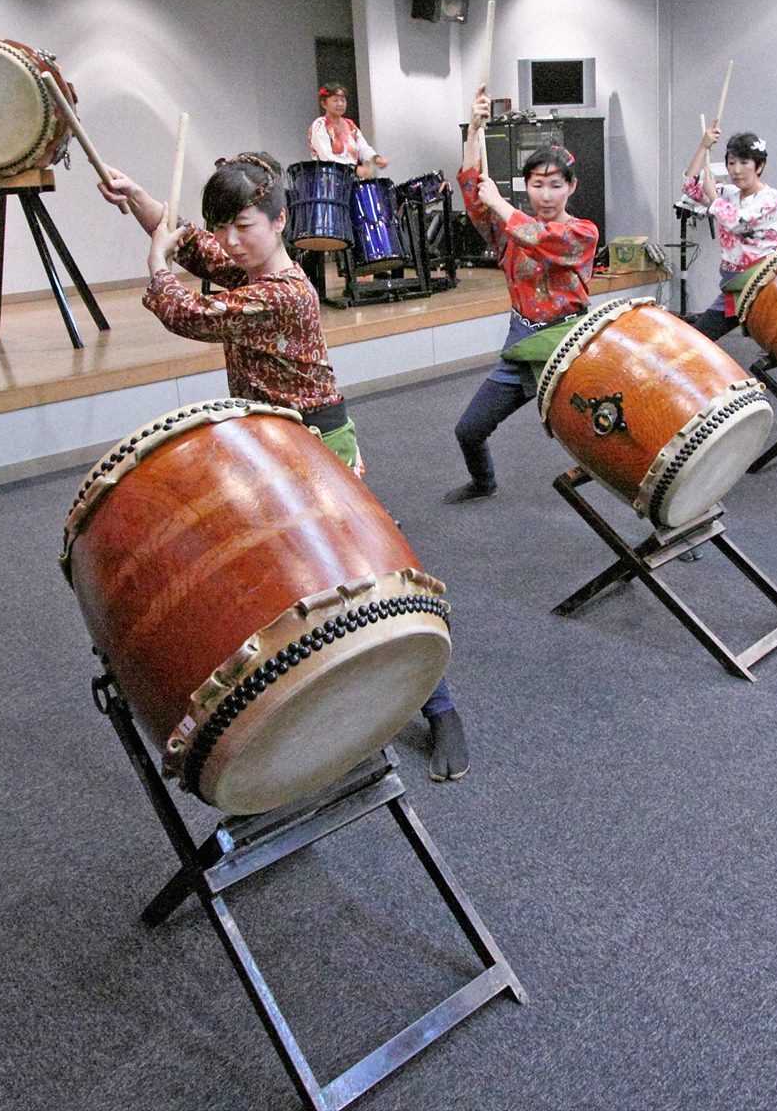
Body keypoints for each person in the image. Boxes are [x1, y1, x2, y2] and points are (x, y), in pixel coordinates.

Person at [97, 153, 469, 781]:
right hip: (270, 440)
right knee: (289, 574)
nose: (231, 241)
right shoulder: (245, 265)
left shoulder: (285, 291)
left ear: (279, 219)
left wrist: (156, 266)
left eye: (244, 224)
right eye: (224, 227)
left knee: (366, 569)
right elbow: (190, 239)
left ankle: (441, 706)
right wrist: (139, 197)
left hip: (317, 440)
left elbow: (191, 313)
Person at [444, 83, 598, 505]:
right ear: (525, 186)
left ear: (571, 187)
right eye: (536, 185)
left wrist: (501, 206)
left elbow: (541, 238)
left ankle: (664, 510)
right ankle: (483, 482)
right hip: (523, 341)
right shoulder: (505, 229)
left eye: (554, 185)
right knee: (469, 430)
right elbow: (474, 190)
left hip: (570, 348)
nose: (545, 195)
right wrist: (474, 131)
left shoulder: (581, 232)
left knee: (609, 436)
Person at [680, 119, 777, 341]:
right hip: (733, 286)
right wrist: (703, 146)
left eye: (744, 162)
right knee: (698, 338)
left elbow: (738, 222)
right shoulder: (730, 193)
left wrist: (714, 197)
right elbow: (689, 187)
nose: (736, 170)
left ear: (760, 166)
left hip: (761, 286)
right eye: (731, 163)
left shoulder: (769, 197)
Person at [308, 82, 388, 179]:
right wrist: (355, 170)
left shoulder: (350, 125)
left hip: (351, 180)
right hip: (329, 182)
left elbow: (363, 147)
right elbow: (326, 157)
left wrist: (375, 158)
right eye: (335, 100)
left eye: (343, 100)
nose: (340, 104)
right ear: (324, 103)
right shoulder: (320, 125)